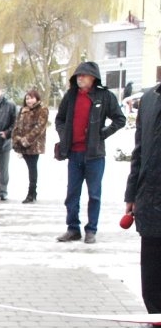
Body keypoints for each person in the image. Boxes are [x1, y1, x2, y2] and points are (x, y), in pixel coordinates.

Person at [54, 61, 125, 244]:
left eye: (83, 75)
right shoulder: (70, 96)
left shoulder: (104, 96)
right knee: (72, 194)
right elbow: (59, 119)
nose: (80, 78)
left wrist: (103, 133)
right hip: (74, 153)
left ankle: (91, 230)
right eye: (78, 75)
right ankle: (73, 229)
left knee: (94, 194)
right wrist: (65, 135)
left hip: (94, 155)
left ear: (93, 78)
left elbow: (119, 119)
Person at [124, 77, 161, 328]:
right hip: (149, 194)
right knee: (150, 263)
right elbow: (139, 150)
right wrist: (131, 193)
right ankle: (155, 316)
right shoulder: (149, 99)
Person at [11, 90, 49, 204]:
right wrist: (16, 138)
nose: (29, 100)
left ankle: (31, 192)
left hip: (34, 145)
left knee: (32, 169)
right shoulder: (23, 110)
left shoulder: (42, 109)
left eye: (31, 98)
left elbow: (39, 128)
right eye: (27, 98)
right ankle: (32, 192)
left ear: (37, 98)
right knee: (30, 168)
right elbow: (17, 125)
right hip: (22, 144)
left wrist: (26, 140)